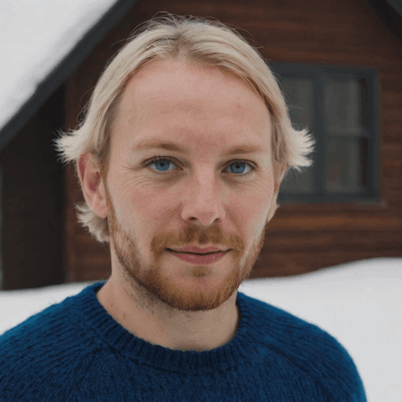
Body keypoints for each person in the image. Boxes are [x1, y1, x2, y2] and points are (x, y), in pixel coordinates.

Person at [0, 13, 367, 401]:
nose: (204, 209)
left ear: (274, 188)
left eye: (238, 166)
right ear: (96, 184)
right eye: (163, 163)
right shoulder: (16, 383)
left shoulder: (322, 375)